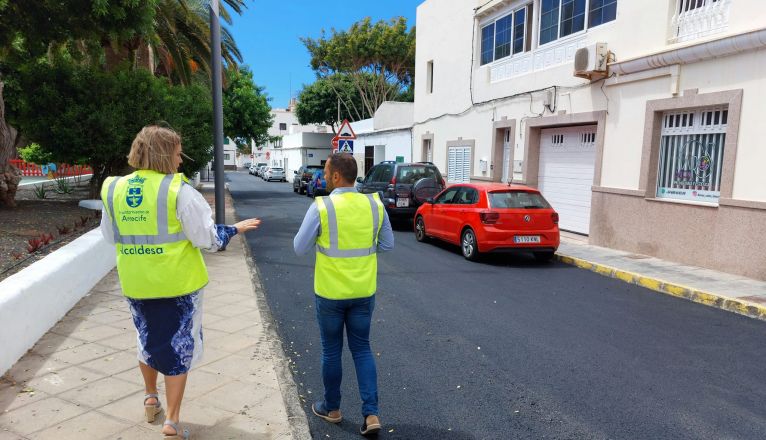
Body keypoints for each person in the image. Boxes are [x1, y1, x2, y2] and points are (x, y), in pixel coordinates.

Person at [99, 125, 261, 439]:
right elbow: (209, 240)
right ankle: (171, 421)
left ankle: (150, 398)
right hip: (178, 287)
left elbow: (109, 236)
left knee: (146, 340)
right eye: (177, 153)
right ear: (164, 154)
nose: (180, 160)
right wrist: (236, 229)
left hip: (136, 282)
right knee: (178, 348)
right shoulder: (179, 191)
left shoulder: (114, 188)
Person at [293, 153, 394, 436]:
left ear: (337, 176)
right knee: (362, 349)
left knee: (331, 350)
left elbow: (299, 248)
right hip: (363, 292)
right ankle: (371, 414)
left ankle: (332, 408)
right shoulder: (374, 204)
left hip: (330, 294)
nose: (323, 177)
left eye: (326, 173)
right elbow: (388, 244)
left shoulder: (322, 207)